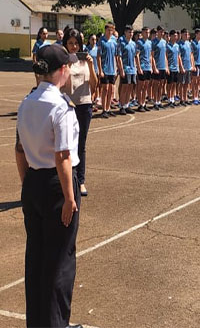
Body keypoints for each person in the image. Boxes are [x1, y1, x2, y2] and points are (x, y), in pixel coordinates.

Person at [16, 44, 81, 327]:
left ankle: (38, 322)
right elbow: (63, 155)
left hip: (33, 181)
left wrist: (28, 184)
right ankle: (56, 323)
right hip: (57, 184)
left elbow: (19, 150)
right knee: (60, 262)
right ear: (62, 70)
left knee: (37, 259)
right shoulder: (60, 105)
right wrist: (69, 197)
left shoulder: (27, 102)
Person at [62, 28, 97, 198]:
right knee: (66, 144)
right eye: (70, 43)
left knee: (81, 144)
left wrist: (91, 64)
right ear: (65, 44)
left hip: (84, 104)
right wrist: (66, 66)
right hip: (68, 105)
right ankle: (67, 179)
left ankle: (80, 180)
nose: (74, 47)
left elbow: (94, 85)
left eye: (76, 43)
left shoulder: (85, 61)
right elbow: (60, 84)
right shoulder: (62, 62)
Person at [96, 23, 118, 119]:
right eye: (109, 30)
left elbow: (116, 55)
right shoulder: (102, 41)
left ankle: (108, 108)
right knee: (105, 89)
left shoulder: (114, 41)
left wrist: (117, 67)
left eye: (112, 30)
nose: (110, 32)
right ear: (105, 30)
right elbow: (99, 56)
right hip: (105, 69)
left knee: (111, 89)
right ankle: (104, 109)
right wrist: (100, 70)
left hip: (112, 69)